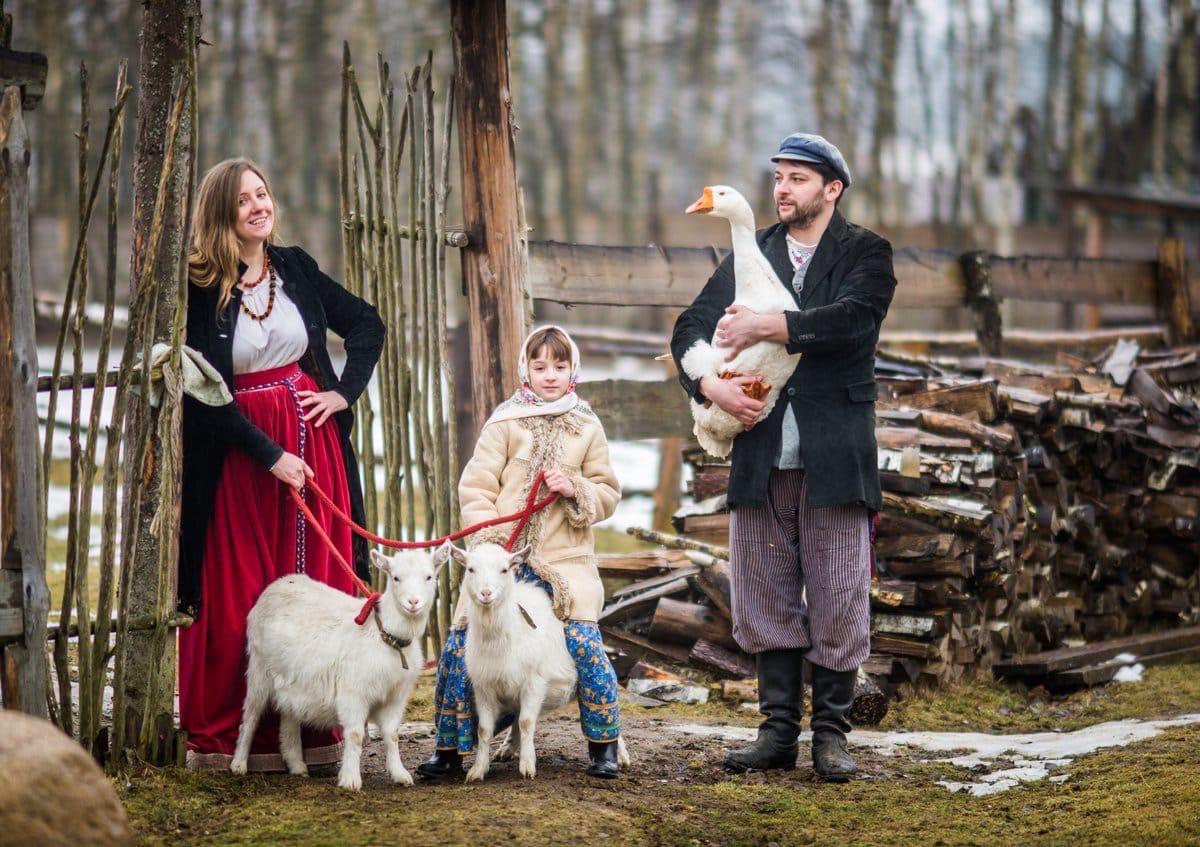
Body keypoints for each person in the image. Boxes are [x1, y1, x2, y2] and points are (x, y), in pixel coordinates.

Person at [671, 133, 896, 782]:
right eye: (777, 176)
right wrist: (710, 384)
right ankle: (776, 733)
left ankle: (832, 734)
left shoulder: (866, 253)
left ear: (832, 189)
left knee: (837, 596)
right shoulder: (756, 249)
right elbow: (689, 327)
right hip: (761, 456)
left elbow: (854, 319)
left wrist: (769, 327)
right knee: (764, 598)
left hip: (834, 454)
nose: (782, 189)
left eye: (797, 178)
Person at [178, 158, 384, 771]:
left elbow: (368, 324)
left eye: (263, 194)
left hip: (313, 450)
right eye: (244, 201)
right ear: (223, 214)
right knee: (239, 585)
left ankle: (319, 731)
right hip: (241, 457)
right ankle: (232, 739)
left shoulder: (294, 267)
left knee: (315, 580)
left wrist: (343, 392)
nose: (258, 207)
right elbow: (202, 392)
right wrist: (270, 456)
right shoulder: (199, 284)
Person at [416, 325, 625, 780]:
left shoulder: (587, 426)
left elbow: (608, 492)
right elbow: (476, 488)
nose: (550, 375)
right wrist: (487, 548)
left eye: (560, 365)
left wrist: (577, 489)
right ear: (525, 370)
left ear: (573, 369)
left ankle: (604, 742)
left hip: (565, 563)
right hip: (501, 559)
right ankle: (449, 747)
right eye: (539, 366)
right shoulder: (504, 423)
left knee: (583, 643)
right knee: (459, 644)